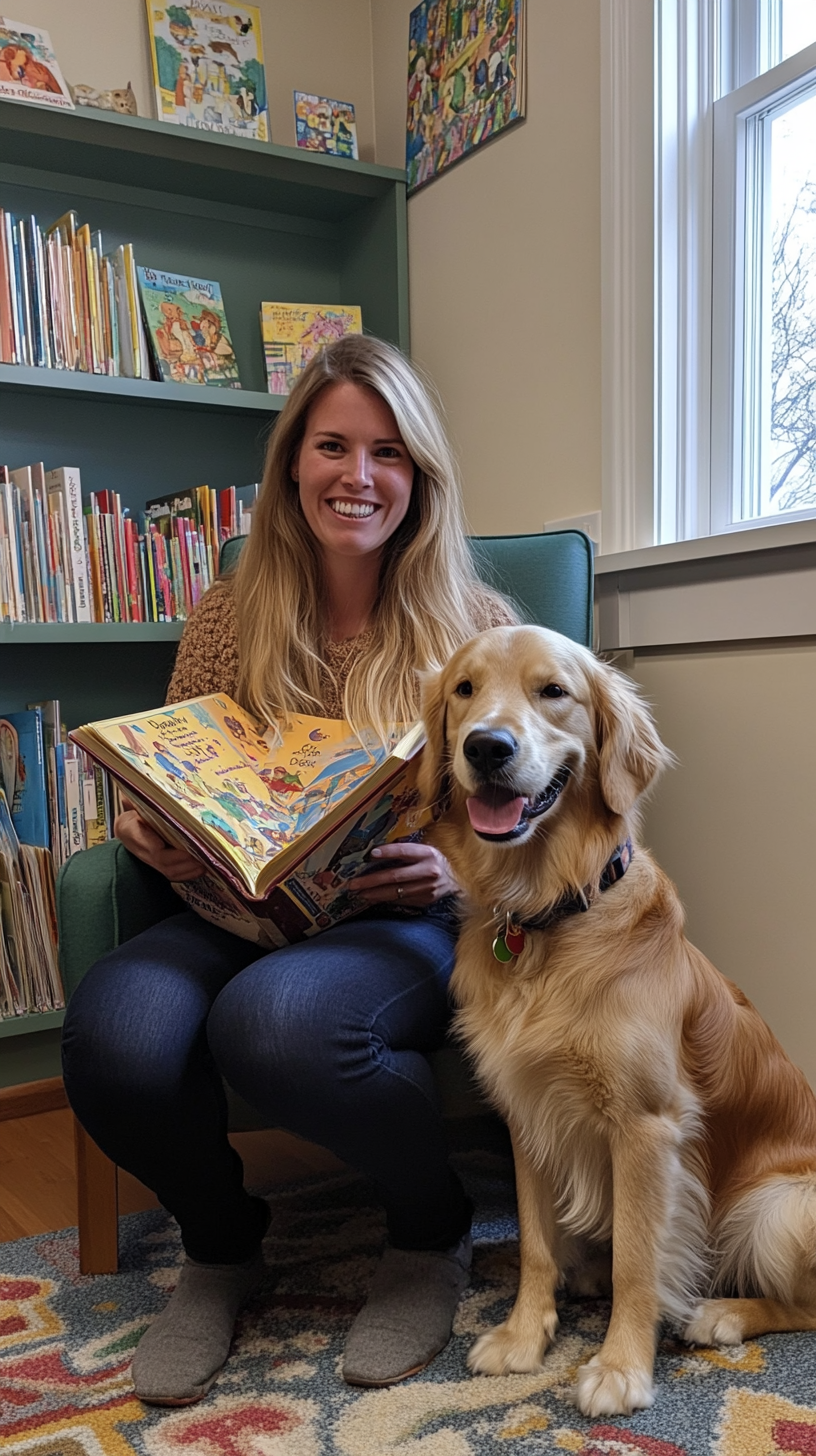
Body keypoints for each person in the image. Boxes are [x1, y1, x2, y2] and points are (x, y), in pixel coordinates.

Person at [61, 334, 517, 1407]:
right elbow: (183, 761)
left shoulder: (479, 628)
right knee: (111, 1039)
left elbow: (526, 815)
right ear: (291, 464)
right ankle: (223, 1244)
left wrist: (453, 864)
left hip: (394, 921)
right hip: (233, 906)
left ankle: (429, 1228)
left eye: (389, 452)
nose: (359, 476)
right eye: (332, 446)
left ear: (421, 476)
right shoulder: (228, 611)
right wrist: (148, 825)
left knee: (273, 1024)